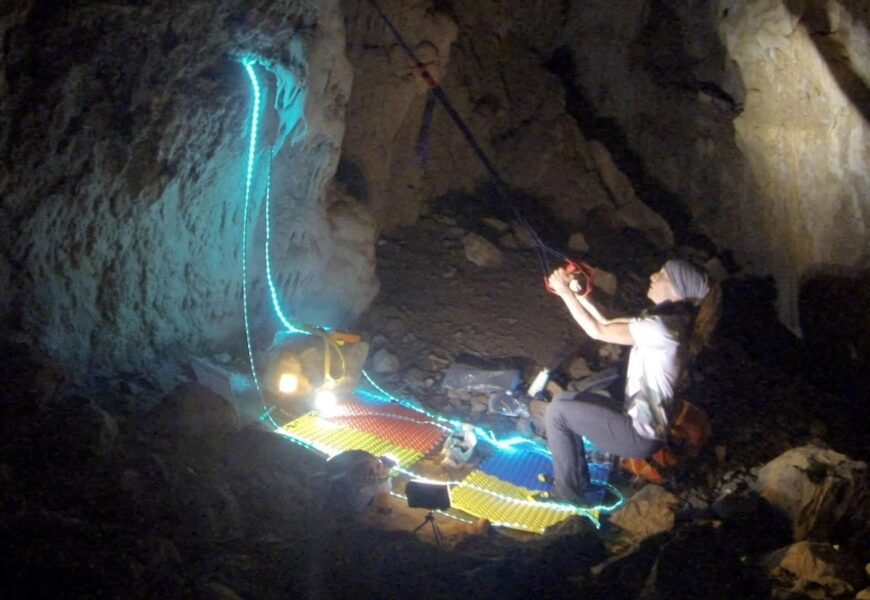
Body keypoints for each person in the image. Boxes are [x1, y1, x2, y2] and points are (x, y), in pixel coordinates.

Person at [542, 259, 721, 504]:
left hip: (638, 435)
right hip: (637, 423)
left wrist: (564, 292)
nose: (653, 276)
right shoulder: (671, 321)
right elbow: (606, 324)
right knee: (565, 400)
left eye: (662, 275)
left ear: (677, 291)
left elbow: (597, 331)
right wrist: (580, 294)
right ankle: (577, 482)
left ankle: (568, 496)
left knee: (557, 413)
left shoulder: (662, 329)